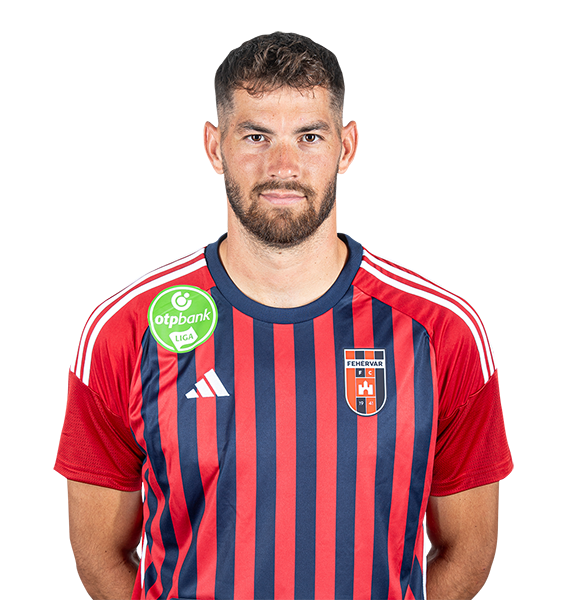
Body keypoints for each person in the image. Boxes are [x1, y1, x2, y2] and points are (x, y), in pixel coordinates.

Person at [56, 32, 512, 600]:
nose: (283, 166)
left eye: (309, 136)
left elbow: (466, 552)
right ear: (214, 144)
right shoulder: (126, 329)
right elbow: (100, 553)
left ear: (346, 146)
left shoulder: (441, 331)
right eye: (256, 136)